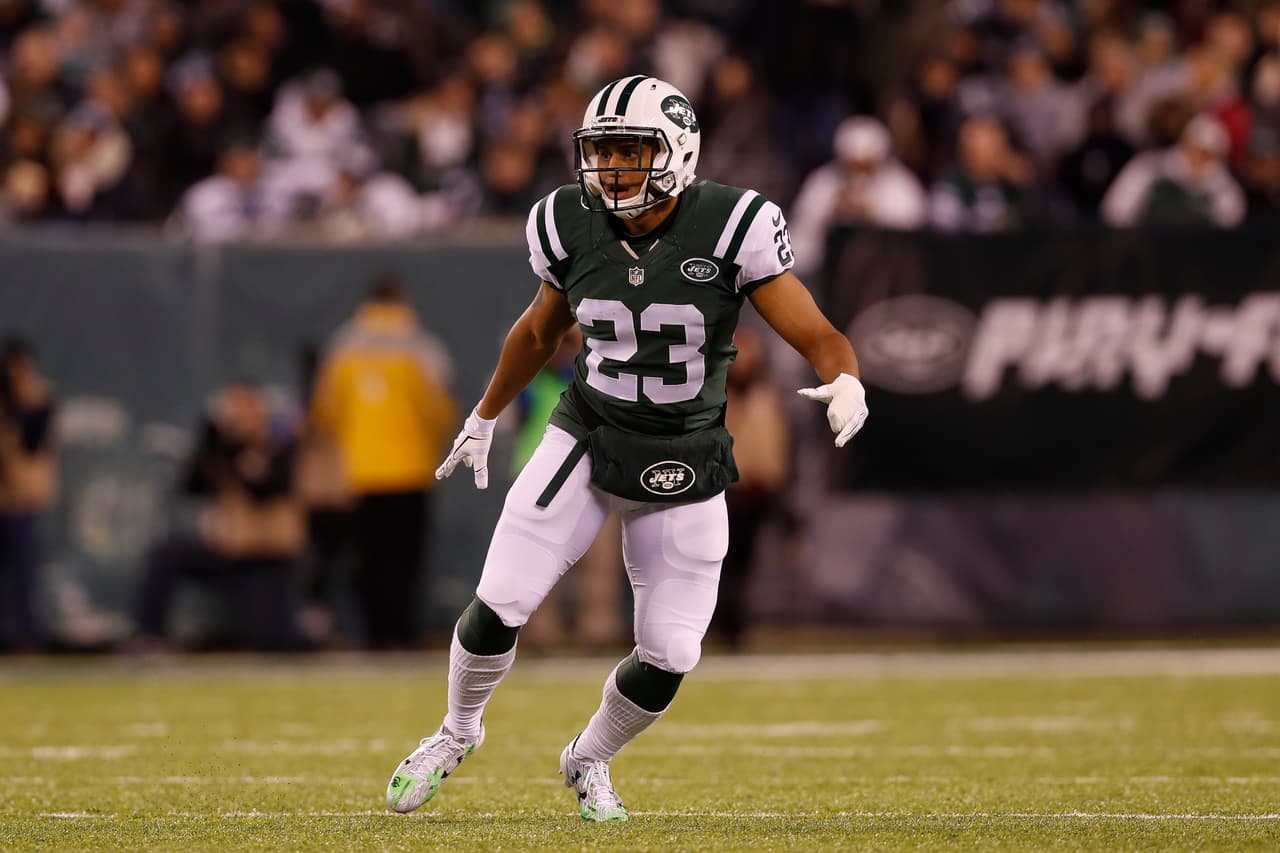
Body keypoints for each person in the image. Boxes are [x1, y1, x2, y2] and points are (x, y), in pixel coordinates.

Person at [384, 75, 869, 822]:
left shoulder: (732, 224)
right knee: (499, 601)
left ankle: (590, 756)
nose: (609, 168)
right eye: (601, 151)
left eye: (628, 151)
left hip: (686, 450)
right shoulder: (566, 221)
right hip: (589, 430)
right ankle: (456, 730)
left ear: (678, 153)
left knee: (671, 654)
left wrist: (846, 377)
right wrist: (484, 415)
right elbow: (538, 331)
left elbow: (817, 331)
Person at [309, 276, 456, 649]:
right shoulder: (421, 346)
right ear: (402, 300)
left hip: (360, 471)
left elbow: (325, 411)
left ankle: (373, 636)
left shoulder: (343, 346)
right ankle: (404, 633)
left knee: (368, 559)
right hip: (412, 470)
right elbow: (439, 409)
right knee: (406, 559)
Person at [132, 382, 308, 651]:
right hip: (227, 550)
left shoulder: (278, 444)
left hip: (267, 555)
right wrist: (210, 443)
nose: (238, 418)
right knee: (166, 556)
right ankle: (150, 636)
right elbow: (192, 487)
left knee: (272, 637)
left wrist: (240, 450)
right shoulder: (221, 448)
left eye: (244, 408)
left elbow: (265, 491)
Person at [0, 337, 57, 652]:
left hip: (22, 498)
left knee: (23, 572)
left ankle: (26, 637)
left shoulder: (38, 395)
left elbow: (32, 441)